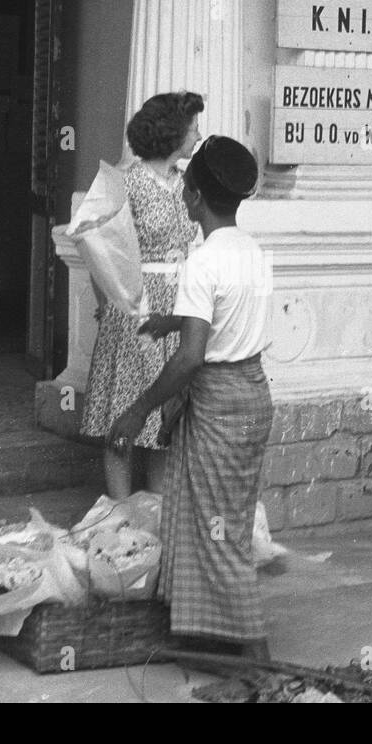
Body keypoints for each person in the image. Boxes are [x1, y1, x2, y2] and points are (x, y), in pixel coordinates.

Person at [108, 135, 273, 661]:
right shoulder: (251, 251)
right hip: (252, 395)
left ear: (195, 197)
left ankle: (256, 653)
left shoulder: (201, 263)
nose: (180, 189)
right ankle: (202, 634)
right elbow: (228, 314)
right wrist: (172, 318)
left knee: (214, 529)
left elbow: (190, 357)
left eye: (185, 182)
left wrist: (138, 410)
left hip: (218, 401)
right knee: (220, 520)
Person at [80, 92, 204, 499]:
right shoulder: (126, 181)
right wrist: (110, 300)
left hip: (181, 304)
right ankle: (118, 512)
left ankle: (156, 513)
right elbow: (95, 241)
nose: (198, 135)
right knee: (126, 405)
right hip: (138, 307)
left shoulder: (187, 183)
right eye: (192, 129)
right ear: (172, 133)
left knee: (166, 417)